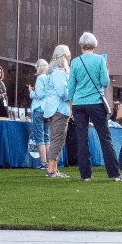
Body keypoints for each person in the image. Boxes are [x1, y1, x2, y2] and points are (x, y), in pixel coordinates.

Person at [66, 32, 122, 182]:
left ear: (80, 45)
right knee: (105, 138)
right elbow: (105, 82)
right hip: (96, 102)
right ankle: (115, 174)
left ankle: (85, 175)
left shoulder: (75, 62)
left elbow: (71, 87)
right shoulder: (100, 60)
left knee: (82, 140)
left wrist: (71, 107)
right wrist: (106, 68)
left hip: (78, 104)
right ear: (95, 45)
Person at [41, 46, 72, 178]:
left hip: (56, 109)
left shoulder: (54, 72)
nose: (70, 57)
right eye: (69, 55)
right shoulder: (59, 73)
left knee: (57, 139)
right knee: (57, 139)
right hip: (59, 109)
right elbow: (62, 93)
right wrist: (73, 93)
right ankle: (51, 170)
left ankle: (53, 169)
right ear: (64, 56)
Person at [29, 59, 51, 171]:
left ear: (38, 67)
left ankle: (43, 163)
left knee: (39, 136)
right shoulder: (49, 78)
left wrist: (31, 92)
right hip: (47, 109)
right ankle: (49, 163)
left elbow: (39, 95)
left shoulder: (40, 78)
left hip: (39, 109)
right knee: (47, 136)